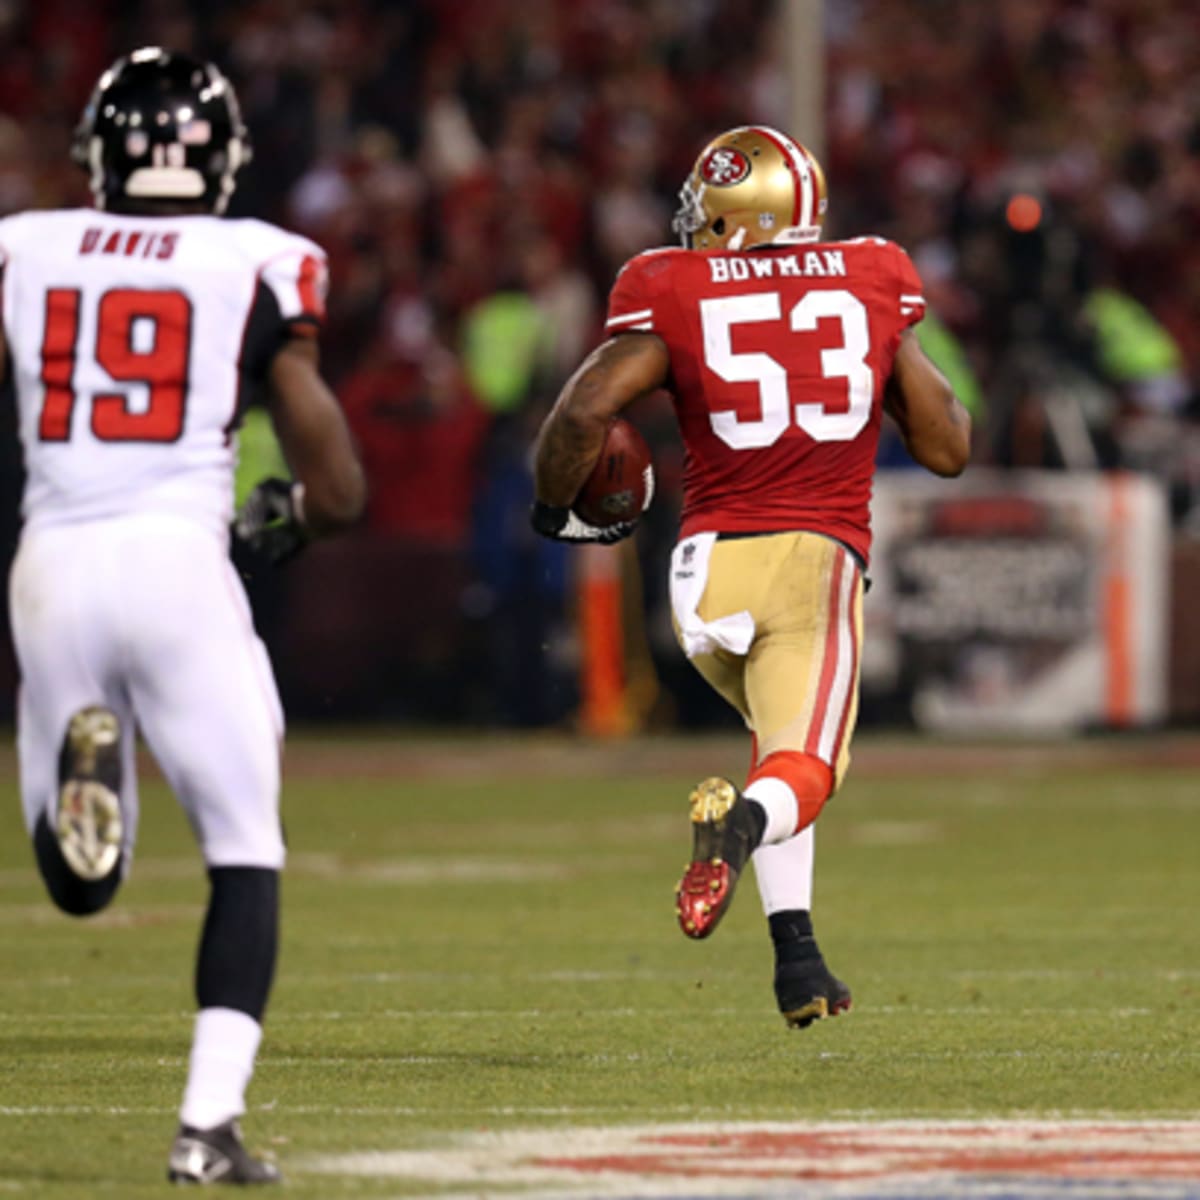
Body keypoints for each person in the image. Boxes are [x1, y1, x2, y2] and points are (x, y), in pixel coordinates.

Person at [1, 48, 365, 1182]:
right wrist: (301, 515)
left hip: (51, 563)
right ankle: (207, 1129)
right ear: (222, 158)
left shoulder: (23, 243)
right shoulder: (256, 257)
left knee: (78, 882)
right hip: (177, 563)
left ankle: (87, 783)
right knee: (245, 851)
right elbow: (340, 482)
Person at [530, 125, 970, 1027]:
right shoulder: (874, 274)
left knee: (774, 751)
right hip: (811, 561)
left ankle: (798, 959)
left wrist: (556, 511)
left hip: (701, 579)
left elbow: (584, 407)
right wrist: (890, 356)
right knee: (808, 766)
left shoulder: (668, 285)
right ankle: (732, 834)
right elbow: (947, 447)